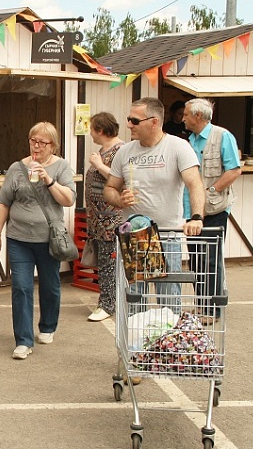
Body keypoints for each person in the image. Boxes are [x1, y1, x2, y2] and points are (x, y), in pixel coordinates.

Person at [103, 97, 206, 314]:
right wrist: (119, 199)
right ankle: (135, 347)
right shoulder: (125, 151)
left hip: (167, 234)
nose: (129, 124)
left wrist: (196, 216)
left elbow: (195, 184)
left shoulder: (178, 147)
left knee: (169, 300)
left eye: (134, 120)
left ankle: (166, 346)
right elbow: (109, 189)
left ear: (154, 121)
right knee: (135, 300)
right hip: (134, 235)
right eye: (128, 119)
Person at [0, 122, 76, 360]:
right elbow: (3, 202)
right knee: (21, 287)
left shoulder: (61, 167)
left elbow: (68, 199)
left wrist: (49, 180)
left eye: (42, 142)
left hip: (49, 239)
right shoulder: (17, 168)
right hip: (18, 238)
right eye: (33, 140)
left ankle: (47, 326)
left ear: (53, 145)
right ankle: (23, 340)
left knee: (50, 286)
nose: (36, 146)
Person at [182, 98, 242, 323]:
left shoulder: (222, 136)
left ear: (198, 116)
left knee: (210, 259)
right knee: (196, 259)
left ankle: (212, 310)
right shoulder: (190, 139)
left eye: (186, 114)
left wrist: (212, 189)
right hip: (192, 210)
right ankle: (202, 305)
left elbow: (234, 170)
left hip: (215, 208)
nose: (183, 118)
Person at [85, 113, 125, 322]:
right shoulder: (103, 150)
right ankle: (108, 301)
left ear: (100, 130)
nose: (90, 133)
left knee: (109, 263)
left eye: (92, 129)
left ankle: (107, 304)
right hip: (98, 220)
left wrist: (99, 166)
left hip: (111, 219)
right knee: (104, 263)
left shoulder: (120, 150)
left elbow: (122, 179)